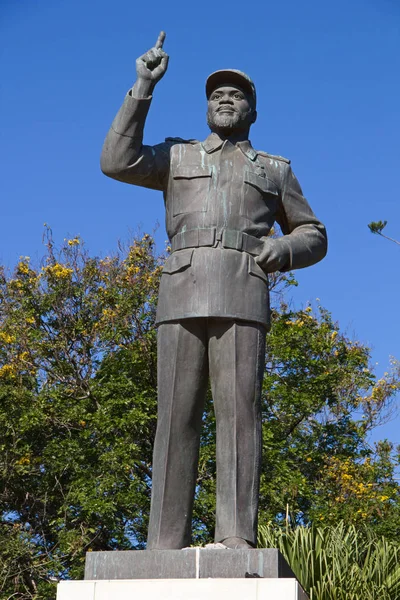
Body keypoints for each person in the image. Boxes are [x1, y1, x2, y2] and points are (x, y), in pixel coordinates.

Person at [101, 32, 327, 550]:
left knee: (239, 415)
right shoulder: (176, 156)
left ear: (252, 110)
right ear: (206, 107)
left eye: (236, 95)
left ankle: (235, 537)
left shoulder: (274, 169)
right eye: (216, 95)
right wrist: (142, 87)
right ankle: (162, 542)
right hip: (181, 291)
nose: (225, 100)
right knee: (175, 418)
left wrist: (284, 250)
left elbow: (313, 232)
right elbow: (116, 161)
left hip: (243, 294)